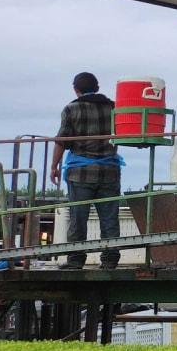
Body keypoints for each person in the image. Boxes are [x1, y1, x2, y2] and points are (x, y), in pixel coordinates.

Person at [49, 72, 122, 270]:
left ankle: (75, 260)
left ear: (76, 89)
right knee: (109, 218)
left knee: (78, 217)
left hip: (80, 173)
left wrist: (54, 166)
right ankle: (109, 259)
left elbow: (62, 141)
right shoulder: (114, 107)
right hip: (110, 171)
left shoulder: (71, 109)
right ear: (97, 87)